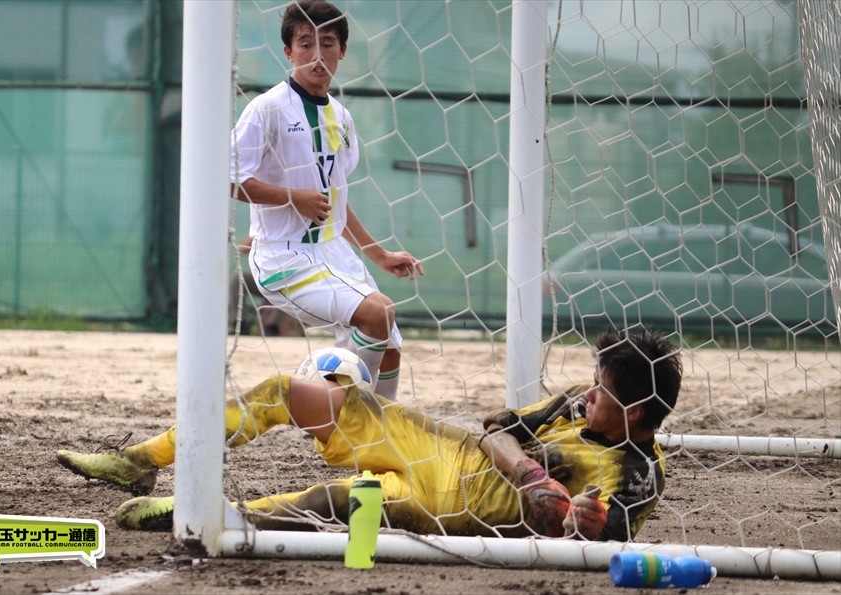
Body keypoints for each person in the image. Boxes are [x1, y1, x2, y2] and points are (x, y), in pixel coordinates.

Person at [56, 329, 683, 541]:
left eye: (601, 392)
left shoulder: (635, 474)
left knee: (337, 504)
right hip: (446, 449)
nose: (586, 394)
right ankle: (140, 460)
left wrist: (579, 519)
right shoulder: (579, 403)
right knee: (288, 391)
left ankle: (204, 516)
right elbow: (497, 430)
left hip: (457, 511)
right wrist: (530, 472)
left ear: (634, 413)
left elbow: (607, 531)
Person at [230, 0, 423, 400]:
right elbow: (228, 180)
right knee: (378, 314)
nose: (317, 56)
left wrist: (380, 255)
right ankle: (327, 412)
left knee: (389, 346)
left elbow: (335, 201)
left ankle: (378, 438)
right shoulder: (265, 109)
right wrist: (291, 198)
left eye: (328, 44)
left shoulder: (341, 117)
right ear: (288, 52)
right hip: (283, 258)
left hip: (333, 254)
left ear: (343, 51)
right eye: (305, 45)